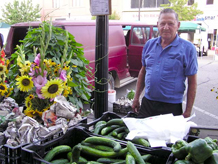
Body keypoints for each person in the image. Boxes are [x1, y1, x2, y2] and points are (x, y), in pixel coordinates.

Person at [132, 8, 198, 118]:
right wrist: (136, 98)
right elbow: (143, 72)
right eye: (162, 23)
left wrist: (188, 111)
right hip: (147, 103)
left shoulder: (188, 48)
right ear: (158, 25)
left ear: (178, 25)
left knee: (167, 135)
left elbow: (192, 82)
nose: (166, 27)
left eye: (171, 23)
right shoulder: (149, 45)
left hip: (171, 106)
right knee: (142, 135)